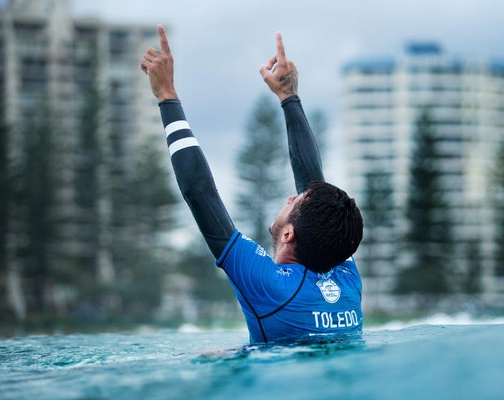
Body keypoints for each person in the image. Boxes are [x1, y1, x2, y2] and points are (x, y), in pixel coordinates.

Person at [140, 25, 364, 344]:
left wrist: (167, 96)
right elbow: (315, 188)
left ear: (288, 234)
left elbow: (200, 194)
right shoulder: (346, 279)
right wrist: (289, 97)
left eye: (293, 203)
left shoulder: (271, 287)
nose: (291, 196)